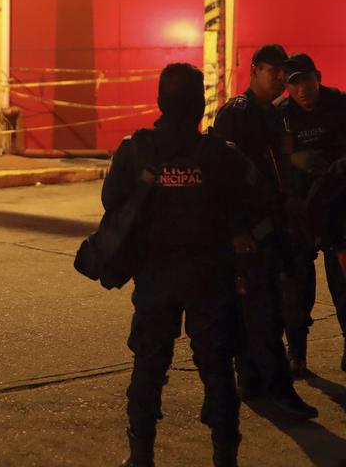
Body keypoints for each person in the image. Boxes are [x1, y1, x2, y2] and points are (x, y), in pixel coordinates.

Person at [104, 63, 256, 467]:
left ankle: (141, 455)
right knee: (217, 366)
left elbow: (113, 204)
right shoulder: (223, 155)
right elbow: (250, 207)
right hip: (210, 274)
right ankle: (225, 455)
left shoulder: (134, 150)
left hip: (155, 273)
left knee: (149, 364)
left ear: (159, 101)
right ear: (201, 105)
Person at [213, 45, 318, 418]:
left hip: (272, 226)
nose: (279, 80)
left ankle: (254, 382)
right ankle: (275, 389)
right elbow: (222, 178)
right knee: (261, 310)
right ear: (255, 70)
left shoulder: (271, 115)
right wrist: (237, 229)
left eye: (282, 74)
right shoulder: (236, 114)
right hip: (248, 231)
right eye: (273, 72)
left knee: (265, 306)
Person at [277, 52, 346, 377]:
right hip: (299, 211)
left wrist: (331, 167)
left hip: (337, 208)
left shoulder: (339, 104)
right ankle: (297, 352)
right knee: (297, 285)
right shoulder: (281, 115)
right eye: (293, 83)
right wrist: (296, 163)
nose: (302, 88)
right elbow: (272, 160)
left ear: (317, 75)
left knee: (342, 281)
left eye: (305, 79)